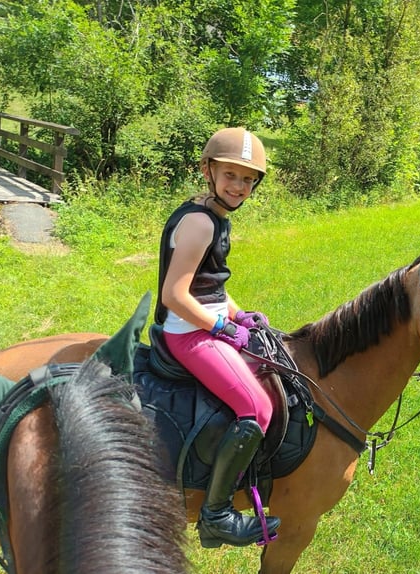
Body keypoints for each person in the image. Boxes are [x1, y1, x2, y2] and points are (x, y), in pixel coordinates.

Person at [154, 127, 280, 548]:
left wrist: (239, 314)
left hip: (202, 323)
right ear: (208, 171)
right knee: (258, 407)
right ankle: (217, 515)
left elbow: (211, 288)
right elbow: (175, 295)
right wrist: (222, 327)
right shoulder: (200, 224)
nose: (239, 186)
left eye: (248, 179)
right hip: (188, 335)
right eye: (231, 175)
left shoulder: (212, 215)